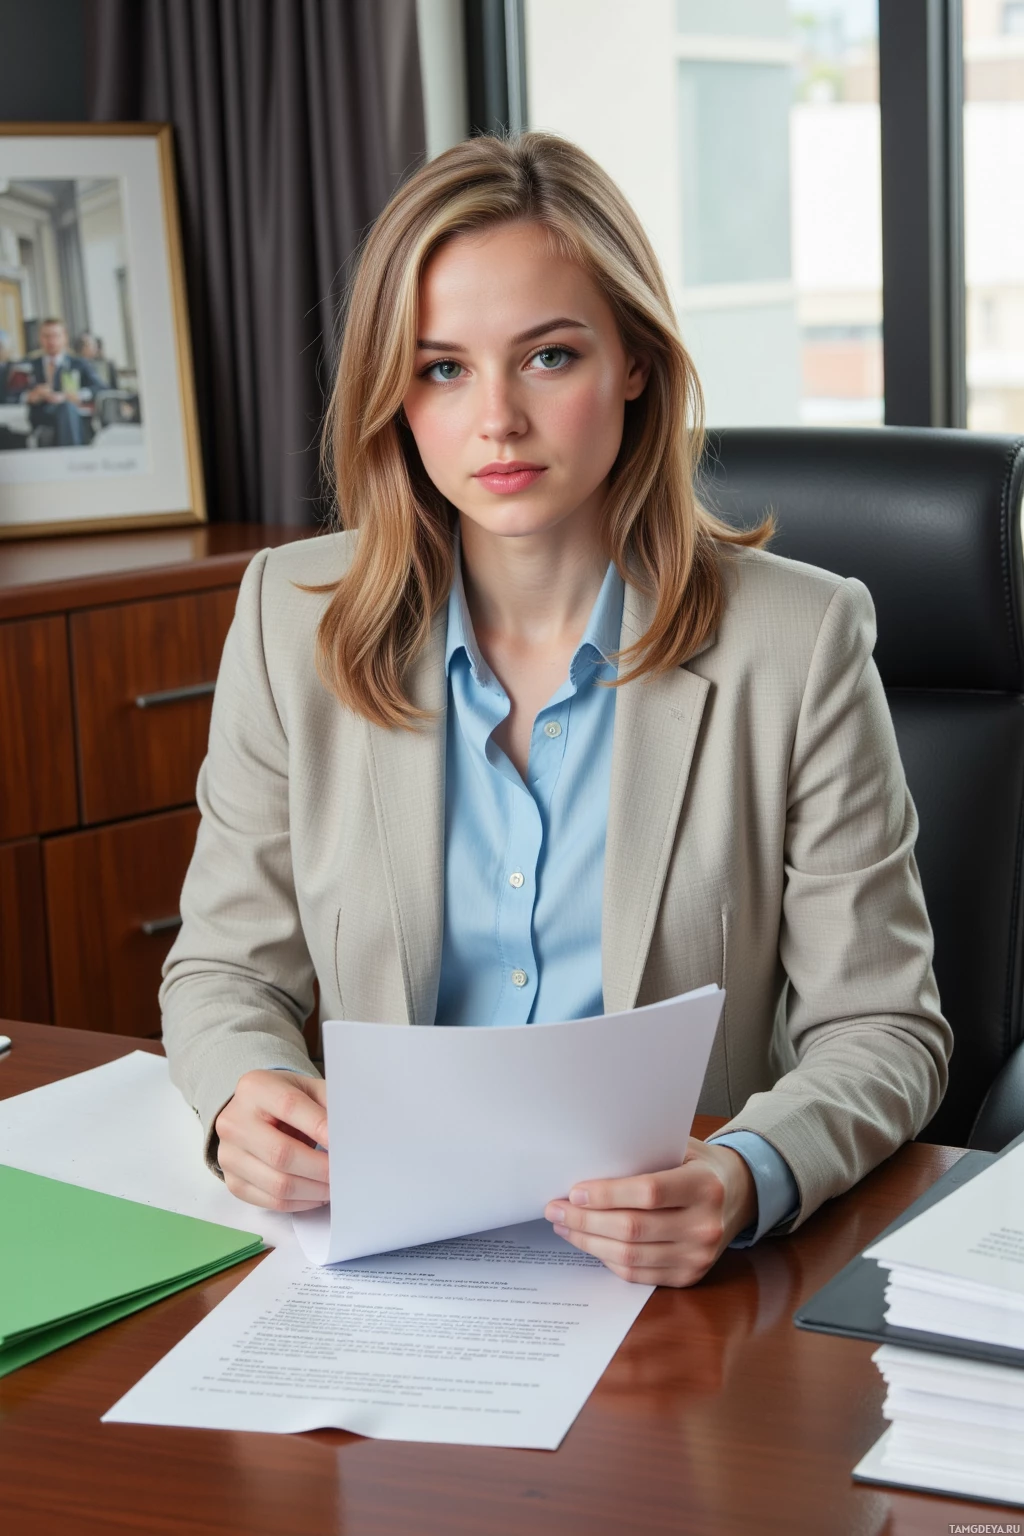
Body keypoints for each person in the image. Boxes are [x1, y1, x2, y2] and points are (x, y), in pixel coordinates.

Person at [161, 132, 951, 1289]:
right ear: (394, 393)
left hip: (673, 1283)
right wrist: (242, 1097)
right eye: (441, 369)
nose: (496, 423)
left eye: (546, 357)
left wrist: (744, 1173)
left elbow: (884, 1026)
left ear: (632, 360)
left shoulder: (800, 639)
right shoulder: (292, 616)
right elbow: (226, 970)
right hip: (374, 1268)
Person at [22, 318, 103, 446]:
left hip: (71, 413)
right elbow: (9, 393)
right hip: (41, 414)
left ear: (65, 337)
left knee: (67, 408)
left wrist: (79, 395)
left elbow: (100, 387)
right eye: (46, 336)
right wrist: (30, 396)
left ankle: (70, 455)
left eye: (55, 336)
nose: (51, 341)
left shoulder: (78, 364)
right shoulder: (29, 364)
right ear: (40, 338)